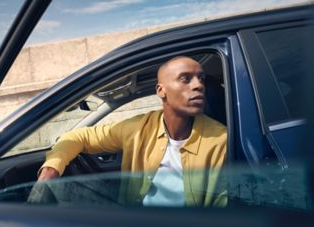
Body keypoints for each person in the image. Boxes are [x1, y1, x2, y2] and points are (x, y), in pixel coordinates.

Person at [38, 56, 227, 207]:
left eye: (200, 79)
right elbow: (80, 137)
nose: (198, 85)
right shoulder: (138, 128)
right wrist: (51, 169)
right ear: (161, 91)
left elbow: (224, 206)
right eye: (186, 79)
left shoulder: (221, 140)